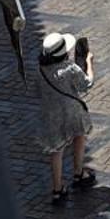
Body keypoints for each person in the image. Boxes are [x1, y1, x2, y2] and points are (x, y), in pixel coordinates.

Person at [36, 31, 95, 206]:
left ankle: (57, 189)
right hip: (72, 112)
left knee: (57, 151)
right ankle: (79, 174)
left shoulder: (40, 69)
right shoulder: (70, 68)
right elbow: (87, 84)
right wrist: (89, 63)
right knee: (79, 137)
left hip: (52, 114)